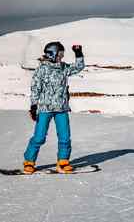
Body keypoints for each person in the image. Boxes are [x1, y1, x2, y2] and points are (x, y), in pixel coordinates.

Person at [23, 41, 85, 174]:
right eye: (60, 54)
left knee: (65, 137)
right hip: (45, 108)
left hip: (61, 108)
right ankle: (29, 161)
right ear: (51, 54)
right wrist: (34, 106)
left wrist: (78, 53)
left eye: (62, 54)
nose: (61, 57)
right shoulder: (42, 69)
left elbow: (78, 67)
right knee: (39, 137)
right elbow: (35, 88)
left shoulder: (63, 68)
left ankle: (63, 162)